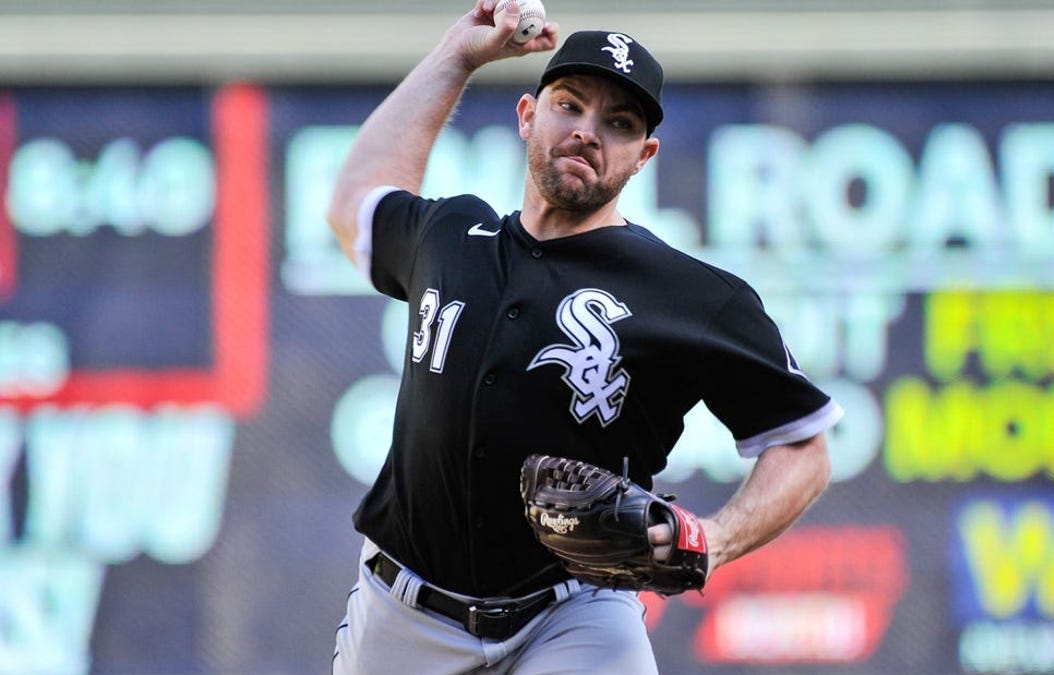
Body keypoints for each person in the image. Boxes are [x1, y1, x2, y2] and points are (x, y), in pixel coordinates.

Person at [325, 2, 844, 673]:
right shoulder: (450, 236)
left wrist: (713, 540)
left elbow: (803, 445)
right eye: (569, 104)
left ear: (643, 156)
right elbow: (355, 204)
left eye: (618, 123)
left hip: (575, 612)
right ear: (526, 115)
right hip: (404, 612)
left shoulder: (689, 293)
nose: (587, 131)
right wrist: (457, 54)